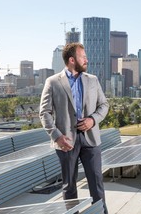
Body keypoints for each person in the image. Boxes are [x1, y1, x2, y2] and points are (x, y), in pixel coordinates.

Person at [39, 42, 109, 213]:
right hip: (65, 142)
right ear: (72, 60)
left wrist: (92, 120)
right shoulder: (53, 82)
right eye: (82, 57)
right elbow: (44, 113)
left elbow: (104, 105)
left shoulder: (92, 80)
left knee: (96, 184)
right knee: (69, 186)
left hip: (91, 139)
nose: (87, 60)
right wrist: (57, 136)